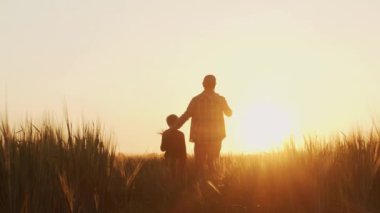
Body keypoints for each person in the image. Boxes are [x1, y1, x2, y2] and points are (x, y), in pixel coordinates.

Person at [173, 75, 232, 175]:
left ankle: (200, 187)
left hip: (200, 138)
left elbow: (186, 115)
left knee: (199, 167)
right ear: (215, 85)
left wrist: (174, 127)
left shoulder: (196, 100)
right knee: (213, 166)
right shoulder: (220, 99)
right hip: (216, 138)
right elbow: (229, 114)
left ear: (203, 84)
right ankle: (211, 185)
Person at [160, 114, 187, 178]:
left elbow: (162, 148)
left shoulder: (165, 133)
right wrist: (184, 158)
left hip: (169, 157)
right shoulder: (181, 134)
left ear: (168, 123)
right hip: (179, 157)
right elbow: (183, 148)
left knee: (170, 176)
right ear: (177, 122)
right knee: (179, 176)